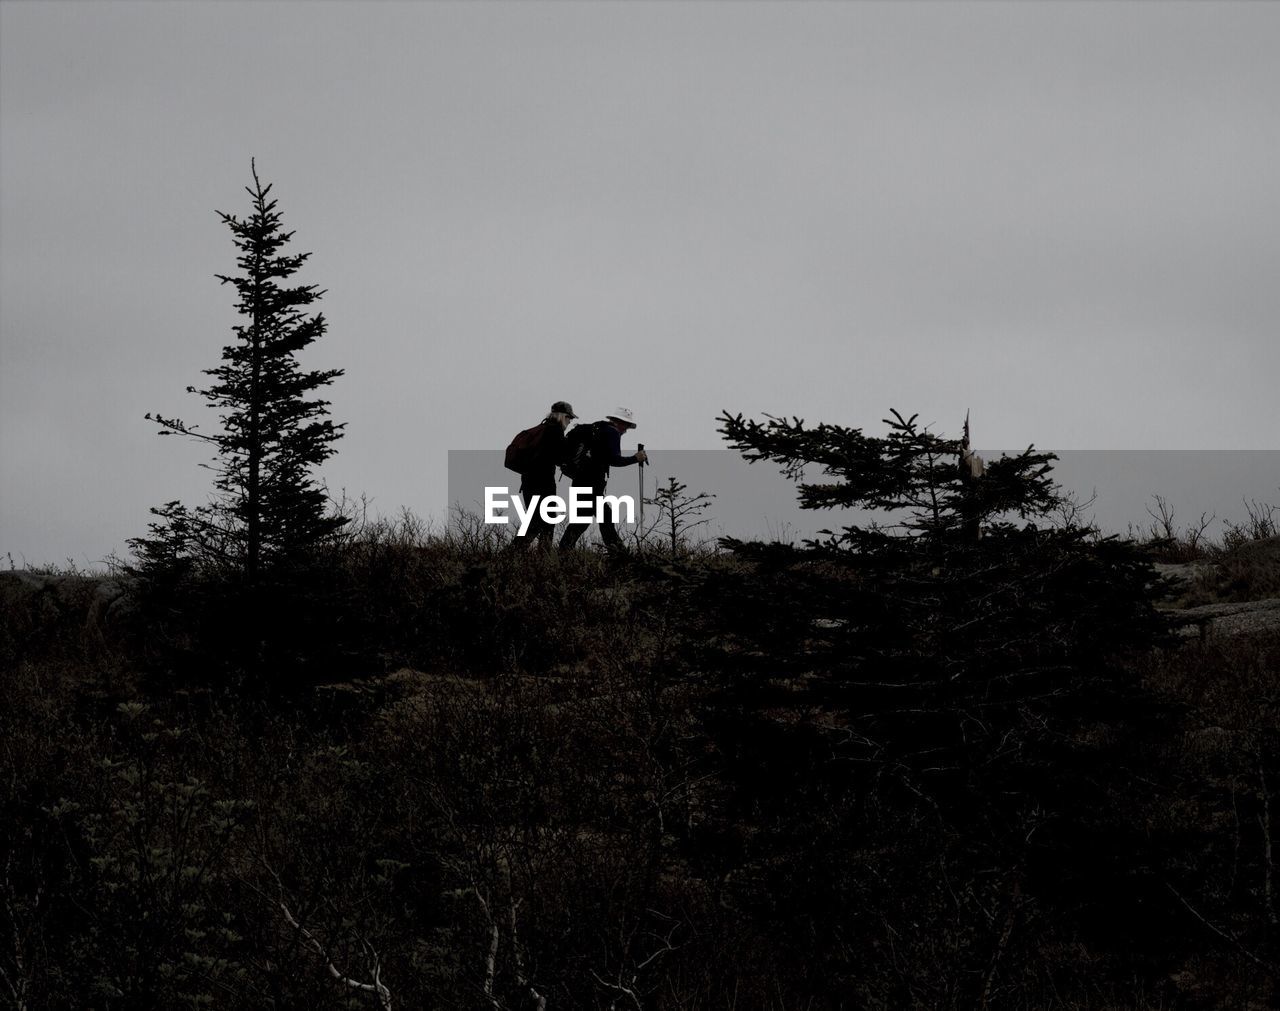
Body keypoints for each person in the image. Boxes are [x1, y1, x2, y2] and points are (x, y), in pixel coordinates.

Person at [559, 407, 648, 554]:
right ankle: (619, 553)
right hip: (592, 483)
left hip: (579, 481)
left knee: (581, 521)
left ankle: (563, 552)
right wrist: (635, 458)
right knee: (605, 516)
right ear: (619, 422)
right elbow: (614, 460)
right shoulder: (612, 432)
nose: (626, 430)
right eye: (626, 425)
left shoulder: (597, 427)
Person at [510, 401, 576, 551]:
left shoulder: (541, 429)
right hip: (543, 482)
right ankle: (516, 553)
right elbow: (559, 457)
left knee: (539, 520)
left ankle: (535, 557)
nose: (570, 421)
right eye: (569, 418)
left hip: (528, 481)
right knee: (543, 521)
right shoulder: (555, 431)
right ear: (562, 416)